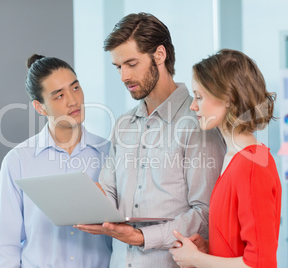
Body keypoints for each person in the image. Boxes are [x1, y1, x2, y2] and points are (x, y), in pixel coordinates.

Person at [74, 13, 226, 267]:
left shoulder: (199, 124)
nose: (123, 76)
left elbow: (206, 213)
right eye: (118, 67)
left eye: (131, 64)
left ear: (159, 55)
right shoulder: (123, 125)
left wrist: (142, 237)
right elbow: (109, 189)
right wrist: (91, 205)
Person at [0, 54, 112, 267]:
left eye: (75, 88)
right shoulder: (18, 161)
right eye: (59, 96)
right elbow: (7, 245)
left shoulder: (109, 153)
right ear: (40, 107)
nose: (73, 100)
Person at [169, 49, 282, 268]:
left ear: (228, 99)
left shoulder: (252, 165)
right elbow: (238, 243)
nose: (193, 106)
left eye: (199, 97)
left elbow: (259, 263)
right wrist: (208, 248)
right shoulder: (233, 157)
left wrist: (196, 259)